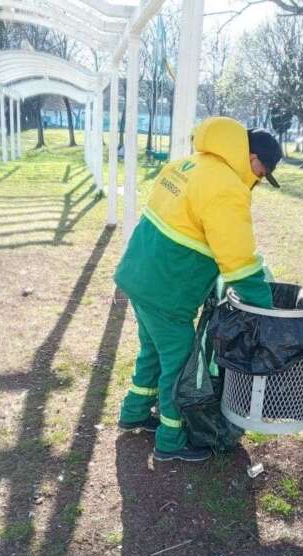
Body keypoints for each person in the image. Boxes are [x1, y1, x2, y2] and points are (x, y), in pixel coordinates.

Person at [115, 116, 282, 462]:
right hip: (166, 291)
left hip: (138, 273)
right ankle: (171, 440)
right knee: (179, 361)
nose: (258, 182)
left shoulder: (189, 163)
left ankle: (133, 411)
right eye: (262, 174)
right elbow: (239, 260)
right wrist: (266, 309)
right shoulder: (227, 186)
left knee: (152, 349)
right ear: (252, 160)